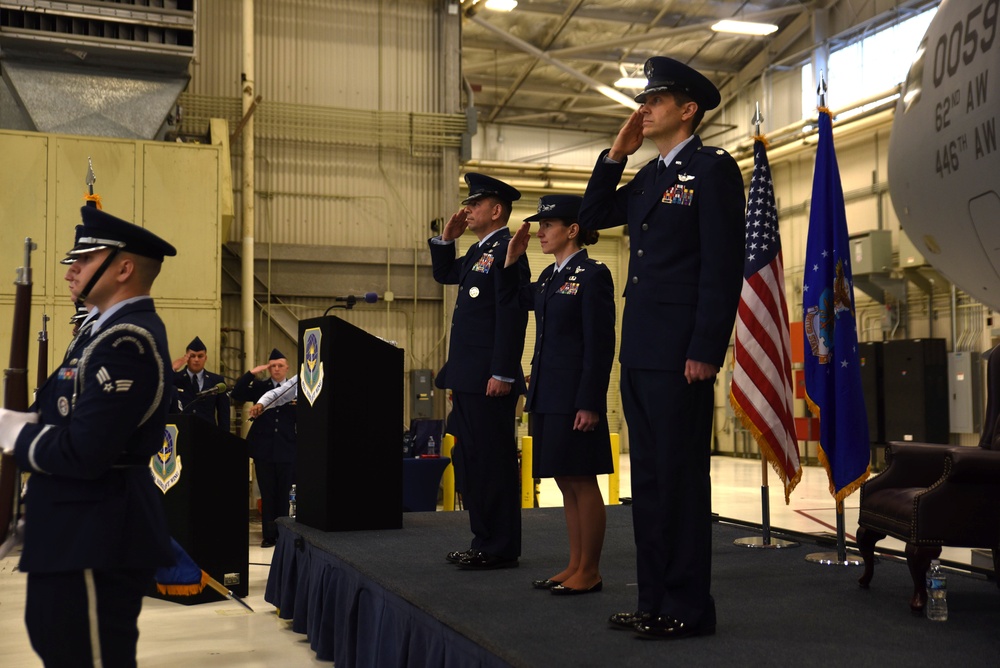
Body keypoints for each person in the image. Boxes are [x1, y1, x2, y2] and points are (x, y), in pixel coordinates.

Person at [578, 56, 746, 639]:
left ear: (688, 109)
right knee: (647, 483)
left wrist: (706, 345)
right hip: (642, 353)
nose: (644, 109)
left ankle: (688, 607)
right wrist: (616, 155)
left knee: (679, 481)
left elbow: (722, 268)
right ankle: (654, 601)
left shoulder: (713, 170)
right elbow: (592, 217)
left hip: (683, 356)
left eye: (655, 101)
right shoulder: (650, 177)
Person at [0, 206, 177, 665]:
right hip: (72, 528)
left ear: (123, 268)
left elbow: (85, 451)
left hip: (99, 533)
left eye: (85, 257)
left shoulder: (127, 342)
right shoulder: (96, 335)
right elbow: (56, 417)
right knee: (57, 643)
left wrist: (16, 440)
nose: (70, 270)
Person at [505, 194, 616, 595]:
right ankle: (575, 563)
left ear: (572, 230)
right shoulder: (550, 277)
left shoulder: (593, 274)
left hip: (575, 397)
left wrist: (590, 401)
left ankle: (591, 569)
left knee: (583, 480)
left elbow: (600, 344)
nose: (540, 232)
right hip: (549, 393)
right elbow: (520, 300)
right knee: (565, 481)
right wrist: (515, 259)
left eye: (548, 225)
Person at [429, 172, 530, 570]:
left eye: (475, 204)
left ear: (497, 210)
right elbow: (444, 274)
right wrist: (445, 240)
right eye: (467, 204)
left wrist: (504, 372)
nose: (467, 210)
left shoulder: (508, 249)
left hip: (491, 377)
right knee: (472, 460)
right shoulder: (478, 250)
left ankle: (501, 545)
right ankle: (484, 540)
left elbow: (512, 313)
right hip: (468, 376)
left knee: (493, 461)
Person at [231, 349, 296, 548]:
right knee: (267, 494)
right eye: (273, 366)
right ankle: (269, 535)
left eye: (280, 366)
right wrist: (251, 373)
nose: (276, 369)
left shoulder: (295, 389)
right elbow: (237, 393)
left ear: (287, 368)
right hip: (264, 449)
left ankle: (284, 535)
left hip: (287, 448)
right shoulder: (261, 387)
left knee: (285, 494)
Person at [172, 336, 230, 430]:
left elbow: (224, 413)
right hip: (182, 431)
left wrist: (224, 438)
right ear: (187, 358)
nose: (196, 359)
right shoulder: (176, 379)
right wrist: (172, 369)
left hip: (207, 433)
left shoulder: (216, 381)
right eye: (192, 356)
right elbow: (160, 388)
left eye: (200, 356)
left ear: (205, 358)